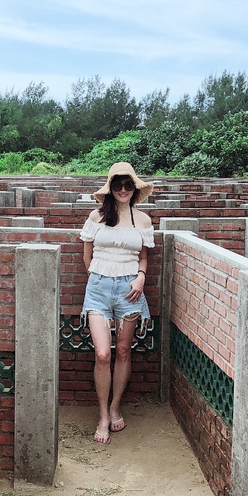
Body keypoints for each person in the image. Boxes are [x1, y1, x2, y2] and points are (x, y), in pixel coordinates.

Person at [79, 162, 155, 445]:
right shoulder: (97, 216)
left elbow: (144, 257)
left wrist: (141, 278)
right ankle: (101, 414)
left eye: (127, 185)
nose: (122, 190)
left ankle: (114, 408)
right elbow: (87, 256)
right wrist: (99, 278)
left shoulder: (143, 221)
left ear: (134, 188)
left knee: (123, 351)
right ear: (110, 188)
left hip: (130, 290)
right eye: (117, 185)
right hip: (98, 289)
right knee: (102, 353)